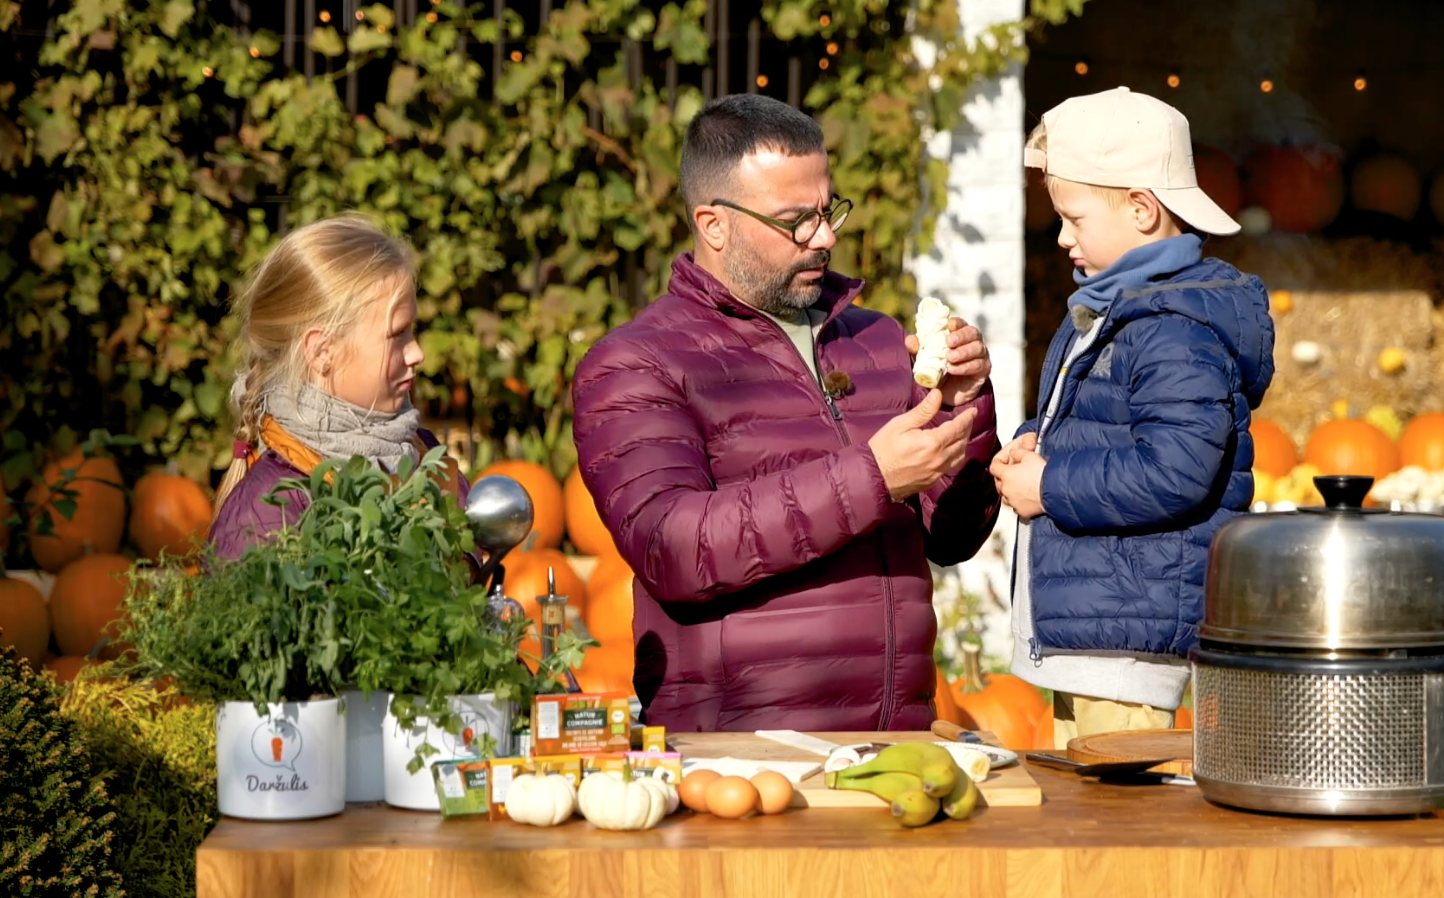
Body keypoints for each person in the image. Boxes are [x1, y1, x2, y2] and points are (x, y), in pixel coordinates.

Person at [571, 94, 1002, 732]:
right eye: (796, 220)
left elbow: (954, 535)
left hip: (895, 743)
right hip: (739, 754)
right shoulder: (635, 363)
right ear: (713, 224)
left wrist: (966, 412)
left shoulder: (880, 342)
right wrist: (872, 477)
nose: (824, 237)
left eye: (828, 212)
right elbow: (673, 545)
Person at [993, 87, 1275, 745]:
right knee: (1087, 817)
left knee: (1113, 825)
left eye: (1075, 218)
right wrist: (1035, 442)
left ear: (1143, 210)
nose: (1062, 236)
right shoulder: (1118, 308)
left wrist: (1050, 484)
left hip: (1127, 637)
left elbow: (1176, 470)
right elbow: (1101, 426)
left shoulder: (1172, 329)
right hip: (1100, 624)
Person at [209, 214, 465, 560]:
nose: (417, 353)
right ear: (322, 352)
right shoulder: (268, 512)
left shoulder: (426, 460)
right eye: (397, 335)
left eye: (413, 331)